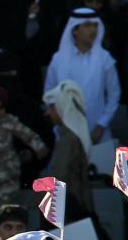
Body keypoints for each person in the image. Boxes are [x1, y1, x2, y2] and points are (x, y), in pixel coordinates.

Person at [43, 8, 120, 144]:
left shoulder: (104, 58)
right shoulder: (58, 59)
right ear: (74, 30)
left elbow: (114, 95)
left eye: (95, 25)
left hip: (97, 132)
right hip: (66, 132)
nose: (93, 30)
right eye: (87, 25)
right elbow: (50, 95)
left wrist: (101, 125)